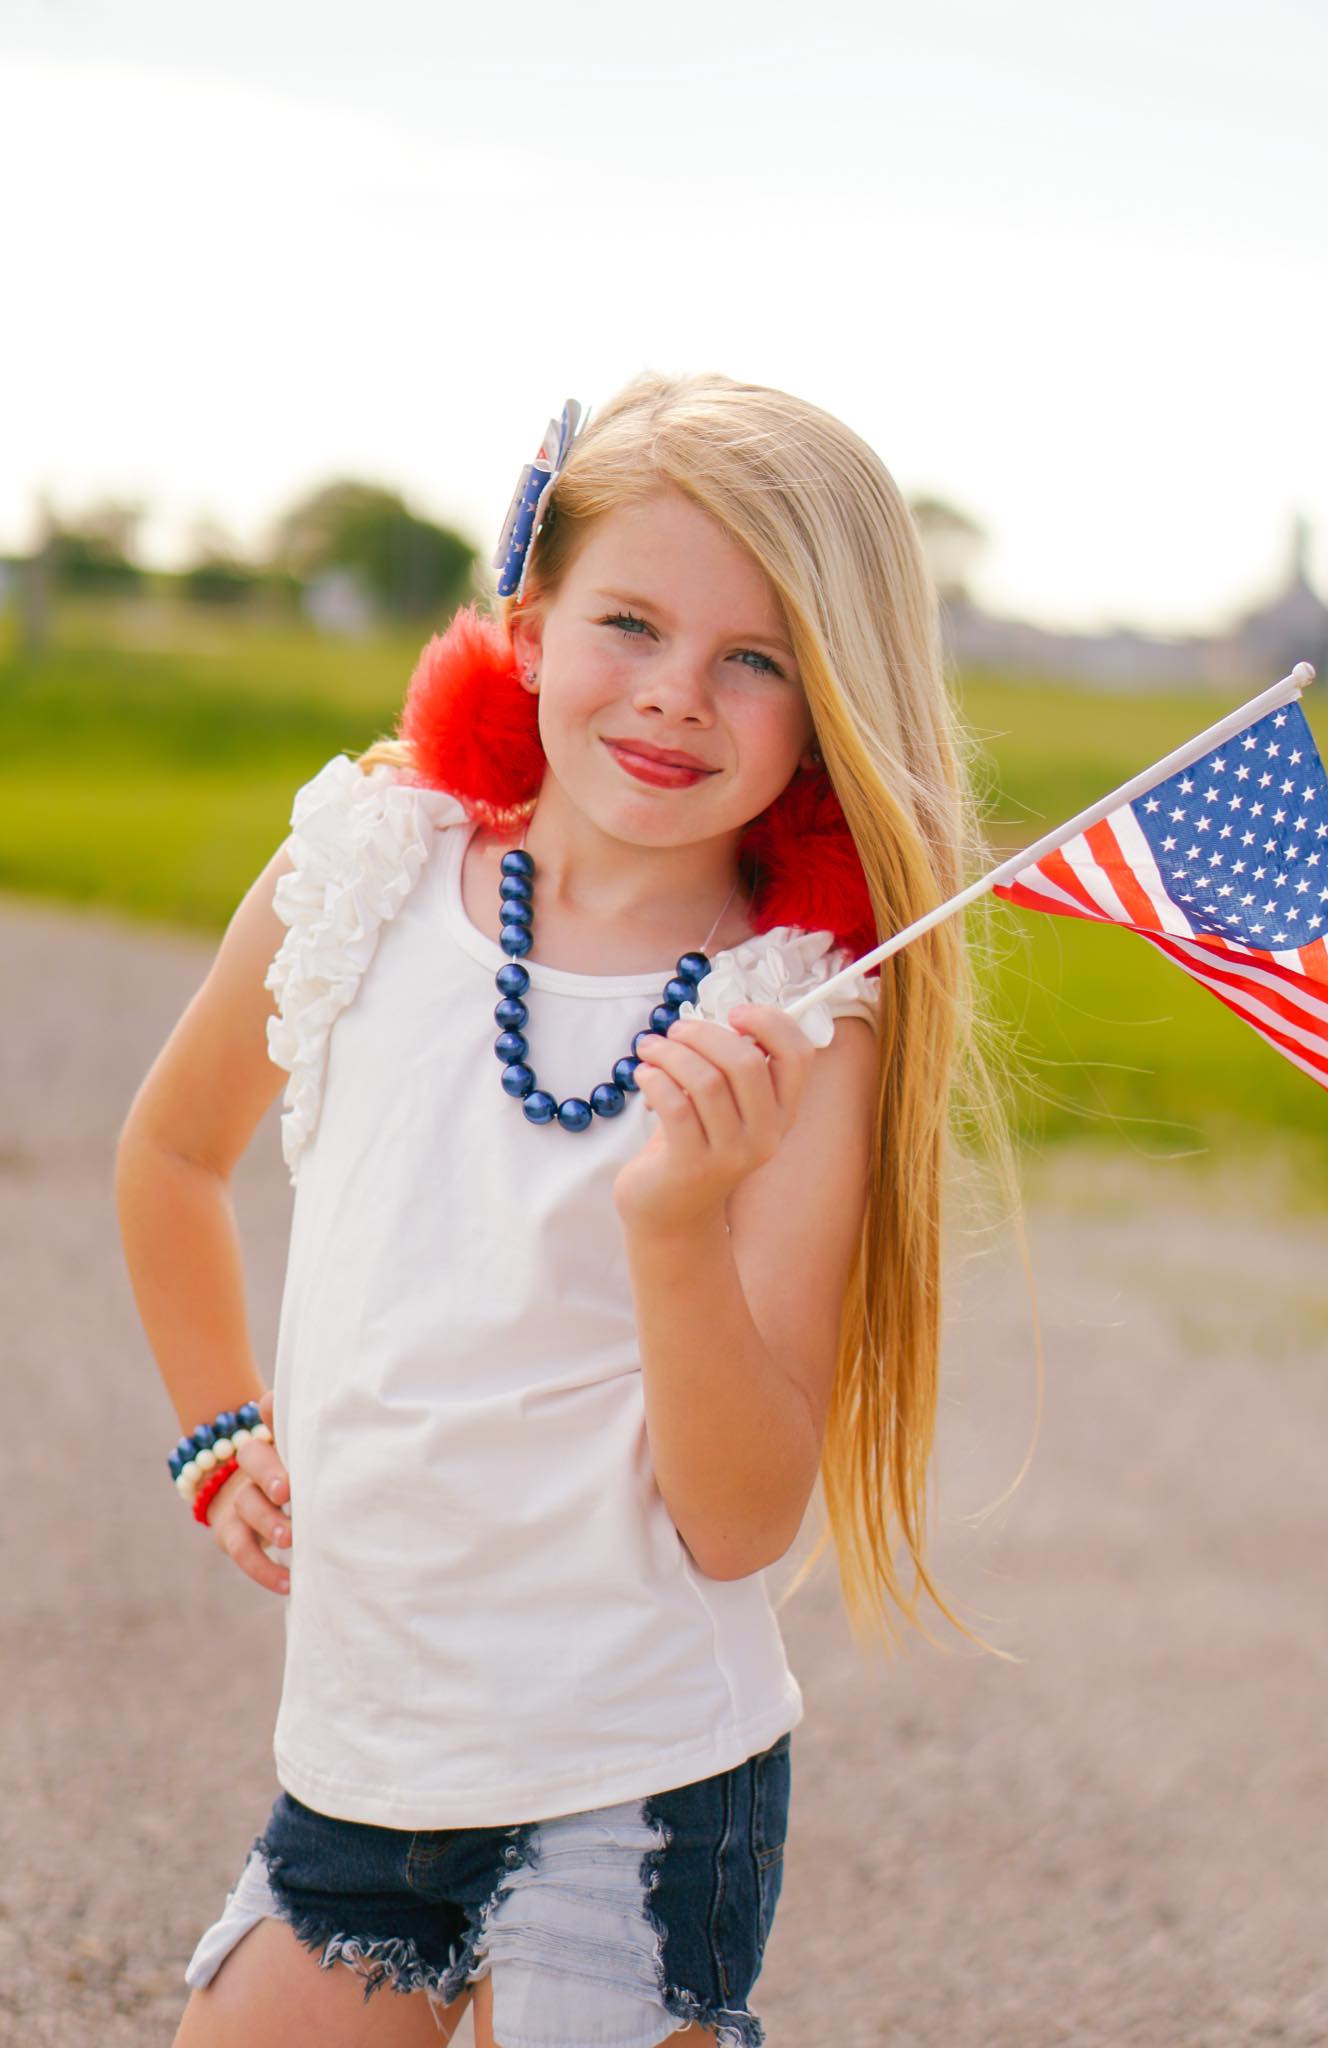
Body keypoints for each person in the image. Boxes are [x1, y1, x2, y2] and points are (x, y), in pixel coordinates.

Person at [115, 370, 1019, 2048]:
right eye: (631, 624)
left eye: (756, 659)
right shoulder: (359, 867)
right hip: (368, 1745)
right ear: (527, 622)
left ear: (828, 706)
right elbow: (170, 1157)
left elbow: (740, 1522)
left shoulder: (797, 1014)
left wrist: (675, 1222)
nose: (679, 697)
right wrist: (212, 1429)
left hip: (640, 1772)